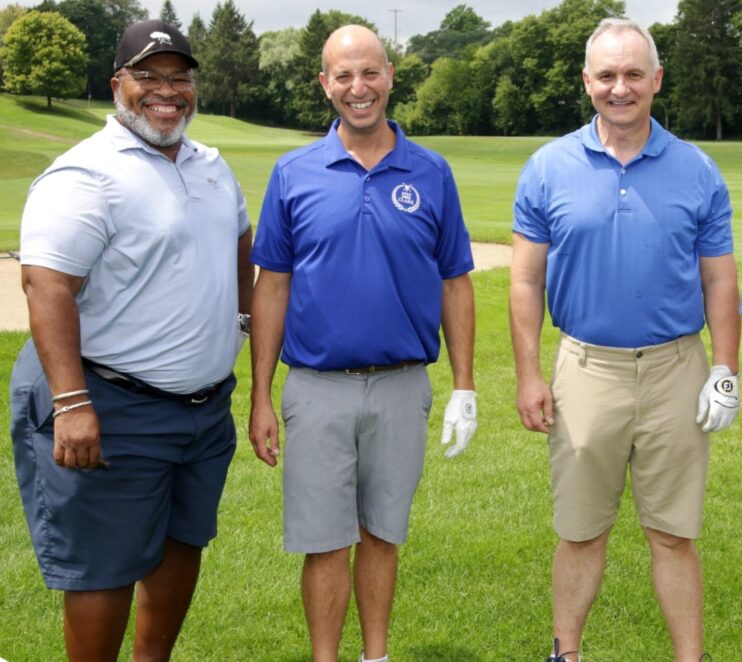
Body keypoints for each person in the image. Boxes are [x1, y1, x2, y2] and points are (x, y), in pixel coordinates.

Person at [9, 19, 253, 662]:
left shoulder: (211, 166)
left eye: (180, 78)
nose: (167, 91)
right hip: (108, 401)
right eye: (149, 76)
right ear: (118, 83)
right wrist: (71, 403)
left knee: (182, 540)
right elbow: (46, 287)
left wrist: (239, 327)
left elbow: (239, 245)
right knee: (104, 565)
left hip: (202, 410)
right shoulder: (84, 174)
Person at [510, 18, 740, 662]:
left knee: (674, 534)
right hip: (586, 368)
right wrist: (529, 374)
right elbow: (525, 280)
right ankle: (566, 653)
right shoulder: (548, 167)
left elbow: (720, 278)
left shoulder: (697, 169)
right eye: (607, 75)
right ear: (587, 81)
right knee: (580, 531)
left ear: (656, 80)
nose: (621, 87)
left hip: (676, 368)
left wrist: (725, 369)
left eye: (634, 74)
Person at [247, 25, 477, 662]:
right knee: (324, 542)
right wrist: (261, 395)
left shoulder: (431, 172)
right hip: (317, 388)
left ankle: (376, 656)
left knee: (382, 534)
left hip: (402, 385)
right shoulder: (293, 173)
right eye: (344, 76)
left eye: (370, 72)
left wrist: (464, 386)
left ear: (390, 76)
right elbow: (272, 286)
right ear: (325, 84)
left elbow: (455, 282)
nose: (359, 88)